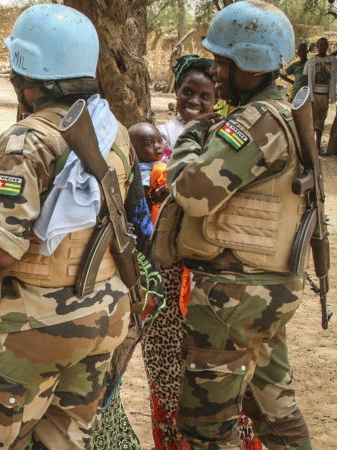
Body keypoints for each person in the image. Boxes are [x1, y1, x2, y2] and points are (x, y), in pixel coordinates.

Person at [0, 5, 136, 447]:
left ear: (28, 77)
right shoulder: (115, 132)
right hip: (102, 316)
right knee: (63, 441)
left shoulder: (26, 140)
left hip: (33, 327)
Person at [166, 1, 312, 447]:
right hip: (266, 287)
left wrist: (191, 137)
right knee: (273, 407)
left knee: (208, 425)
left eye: (223, 62)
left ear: (252, 64)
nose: (215, 72)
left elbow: (193, 193)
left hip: (235, 295)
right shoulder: (281, 113)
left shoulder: (255, 122)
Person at [157, 55, 217, 162]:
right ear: (177, 90)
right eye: (188, 92)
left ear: (215, 100)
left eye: (205, 96)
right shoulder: (163, 135)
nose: (194, 101)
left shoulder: (218, 133)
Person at [304, 37, 337, 154]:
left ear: (327, 46)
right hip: (314, 95)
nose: (322, 47)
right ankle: (310, 147)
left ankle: (317, 146)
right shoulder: (311, 61)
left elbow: (333, 77)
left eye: (324, 45)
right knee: (312, 119)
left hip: (325, 95)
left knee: (321, 120)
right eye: (320, 45)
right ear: (317, 47)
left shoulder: (332, 60)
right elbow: (305, 77)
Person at [129, 121, 164, 194]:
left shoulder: (155, 163)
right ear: (135, 151)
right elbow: (142, 195)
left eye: (160, 140)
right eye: (149, 143)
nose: (157, 146)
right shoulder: (144, 171)